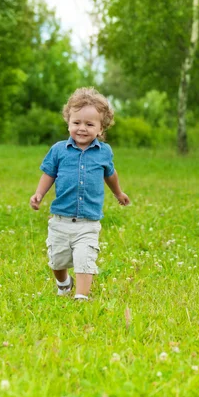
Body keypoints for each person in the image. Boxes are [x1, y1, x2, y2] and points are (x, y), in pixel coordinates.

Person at [30, 87, 130, 300]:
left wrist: (118, 193)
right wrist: (39, 194)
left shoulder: (104, 152)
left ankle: (81, 297)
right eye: (76, 123)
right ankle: (64, 283)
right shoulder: (58, 150)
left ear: (101, 129)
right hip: (60, 219)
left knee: (85, 259)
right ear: (68, 122)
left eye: (89, 124)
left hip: (88, 221)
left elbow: (110, 175)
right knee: (57, 260)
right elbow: (49, 173)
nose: (82, 128)